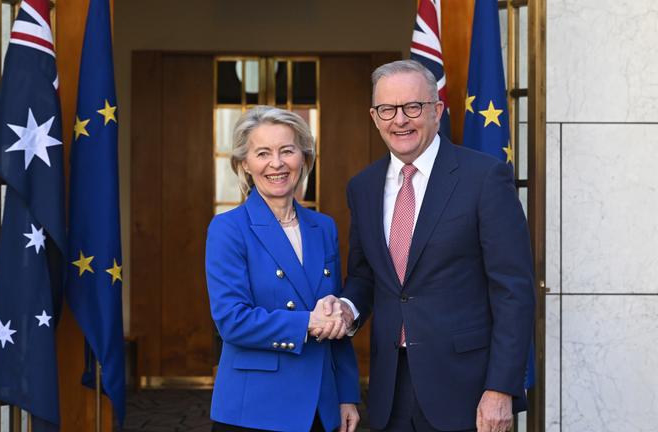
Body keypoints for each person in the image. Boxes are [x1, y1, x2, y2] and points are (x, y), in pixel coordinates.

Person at [321, 60, 535, 432]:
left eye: (412, 107)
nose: (399, 120)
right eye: (388, 109)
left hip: (468, 389)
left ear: (437, 110)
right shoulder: (363, 187)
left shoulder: (484, 178)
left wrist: (501, 387)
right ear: (375, 116)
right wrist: (346, 306)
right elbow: (365, 275)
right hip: (391, 390)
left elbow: (513, 291)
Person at [205, 106, 361, 432]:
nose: (276, 163)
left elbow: (333, 314)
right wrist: (308, 322)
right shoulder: (228, 229)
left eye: (287, 151)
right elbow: (232, 321)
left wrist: (347, 394)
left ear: (303, 158)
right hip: (256, 409)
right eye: (263, 153)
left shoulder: (324, 227)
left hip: (321, 404)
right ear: (244, 164)